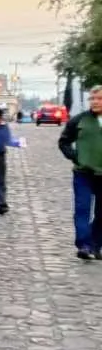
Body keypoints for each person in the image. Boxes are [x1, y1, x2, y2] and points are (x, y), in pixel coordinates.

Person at [59, 85, 102, 260]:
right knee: (82, 209)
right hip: (83, 173)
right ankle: (84, 245)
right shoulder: (79, 120)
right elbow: (64, 142)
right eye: (92, 98)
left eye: (99, 98)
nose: (95, 102)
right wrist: (76, 157)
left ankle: (95, 245)